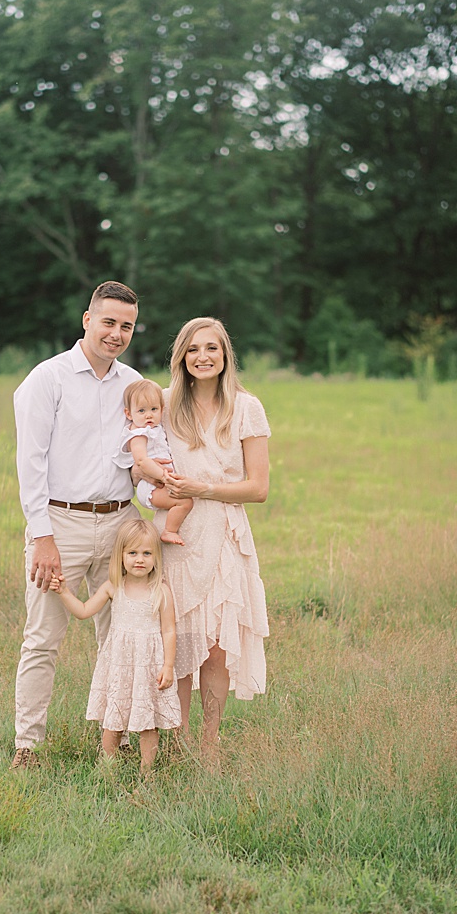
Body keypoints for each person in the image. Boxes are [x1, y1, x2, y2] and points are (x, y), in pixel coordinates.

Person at [11, 280, 143, 770]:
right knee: (43, 637)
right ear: (86, 320)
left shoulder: (133, 383)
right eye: (108, 322)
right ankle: (28, 746)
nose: (116, 333)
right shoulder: (48, 379)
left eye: (126, 326)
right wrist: (41, 536)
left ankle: (118, 738)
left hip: (120, 524)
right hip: (59, 525)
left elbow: (140, 456)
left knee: (122, 635)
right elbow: (31, 463)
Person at [154, 317, 270, 752]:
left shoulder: (246, 407)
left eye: (212, 349)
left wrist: (203, 489)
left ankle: (209, 741)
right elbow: (140, 468)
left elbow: (258, 488)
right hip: (179, 535)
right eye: (193, 349)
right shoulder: (163, 404)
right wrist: (161, 492)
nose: (203, 357)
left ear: (225, 356)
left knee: (218, 646)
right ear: (181, 357)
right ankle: (178, 740)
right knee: (181, 641)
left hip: (224, 534)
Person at [49, 517, 180, 774]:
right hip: (119, 664)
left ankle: (147, 772)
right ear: (120, 556)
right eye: (132, 553)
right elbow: (84, 611)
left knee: (147, 723)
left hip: (148, 665)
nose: (139, 559)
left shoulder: (161, 591)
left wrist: (169, 665)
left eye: (146, 553)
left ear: (156, 557)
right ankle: (106, 769)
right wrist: (64, 592)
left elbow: (169, 630)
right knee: (113, 718)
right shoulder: (113, 587)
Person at [116, 378, 193, 546]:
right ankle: (169, 531)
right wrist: (165, 478)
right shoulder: (138, 433)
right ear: (129, 414)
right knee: (185, 501)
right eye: (141, 410)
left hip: (160, 481)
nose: (148, 415)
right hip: (151, 486)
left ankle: (170, 529)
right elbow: (142, 461)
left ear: (162, 410)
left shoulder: (154, 428)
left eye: (153, 409)